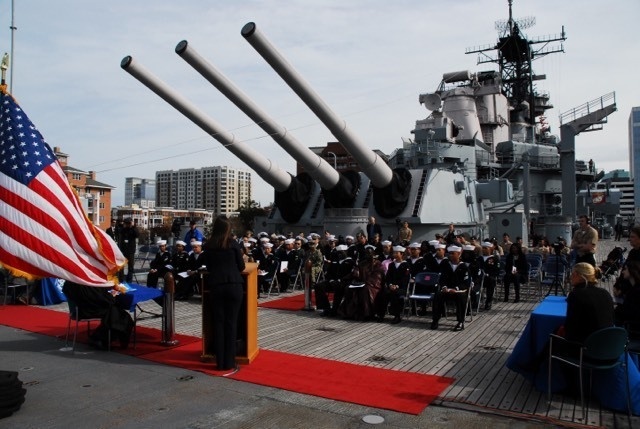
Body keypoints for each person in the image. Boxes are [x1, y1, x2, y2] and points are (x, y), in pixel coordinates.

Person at [201, 216, 245, 371]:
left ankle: (220, 363)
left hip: (217, 286)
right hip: (234, 286)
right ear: (228, 229)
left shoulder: (208, 246)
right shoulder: (233, 244)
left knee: (218, 324)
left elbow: (208, 266)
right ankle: (230, 362)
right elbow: (241, 266)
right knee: (231, 324)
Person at [62, 281, 134, 350]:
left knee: (115, 312)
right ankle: (99, 339)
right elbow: (100, 299)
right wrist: (112, 296)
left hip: (78, 309)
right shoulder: (85, 283)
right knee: (116, 313)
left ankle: (100, 337)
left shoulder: (70, 281)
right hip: (88, 310)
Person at [563, 263, 613, 344]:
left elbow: (571, 325)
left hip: (586, 345)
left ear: (578, 275)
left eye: (572, 274)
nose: (570, 277)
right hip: (608, 344)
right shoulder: (605, 293)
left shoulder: (576, 294)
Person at [431, 245, 470, 331]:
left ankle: (460, 322)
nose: (450, 255)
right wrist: (444, 287)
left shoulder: (464, 267)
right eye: (449, 253)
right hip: (447, 290)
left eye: (453, 253)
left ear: (459, 254)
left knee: (461, 297)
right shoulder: (445, 265)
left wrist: (456, 288)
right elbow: (442, 278)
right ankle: (435, 320)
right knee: (438, 295)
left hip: (459, 291)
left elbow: (466, 282)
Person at [117, 218, 138, 283]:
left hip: (131, 251)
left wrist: (133, 226)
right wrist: (122, 225)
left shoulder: (133, 230)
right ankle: (121, 280)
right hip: (123, 250)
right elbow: (119, 231)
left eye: (128, 223)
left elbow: (137, 235)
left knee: (130, 267)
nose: (128, 224)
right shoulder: (123, 230)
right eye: (126, 223)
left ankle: (129, 281)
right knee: (121, 266)